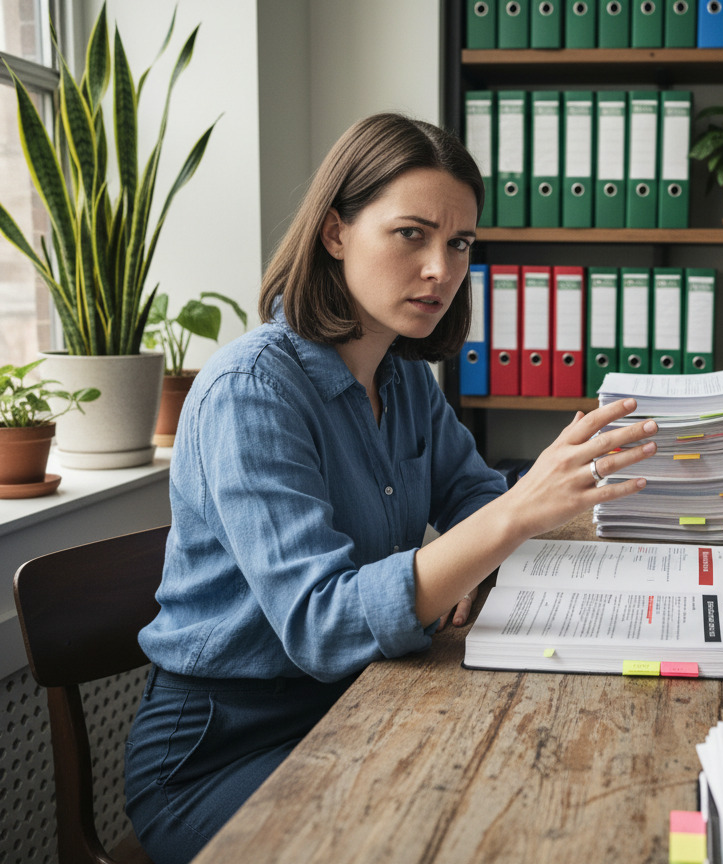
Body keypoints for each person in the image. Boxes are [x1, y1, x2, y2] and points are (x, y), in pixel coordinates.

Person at [124, 113, 657, 864]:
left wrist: (487, 543)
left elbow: (473, 497)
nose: (441, 269)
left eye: (461, 242)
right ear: (336, 232)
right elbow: (320, 622)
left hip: (364, 704)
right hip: (220, 750)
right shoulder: (251, 392)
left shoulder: (403, 379)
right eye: (411, 233)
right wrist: (506, 522)